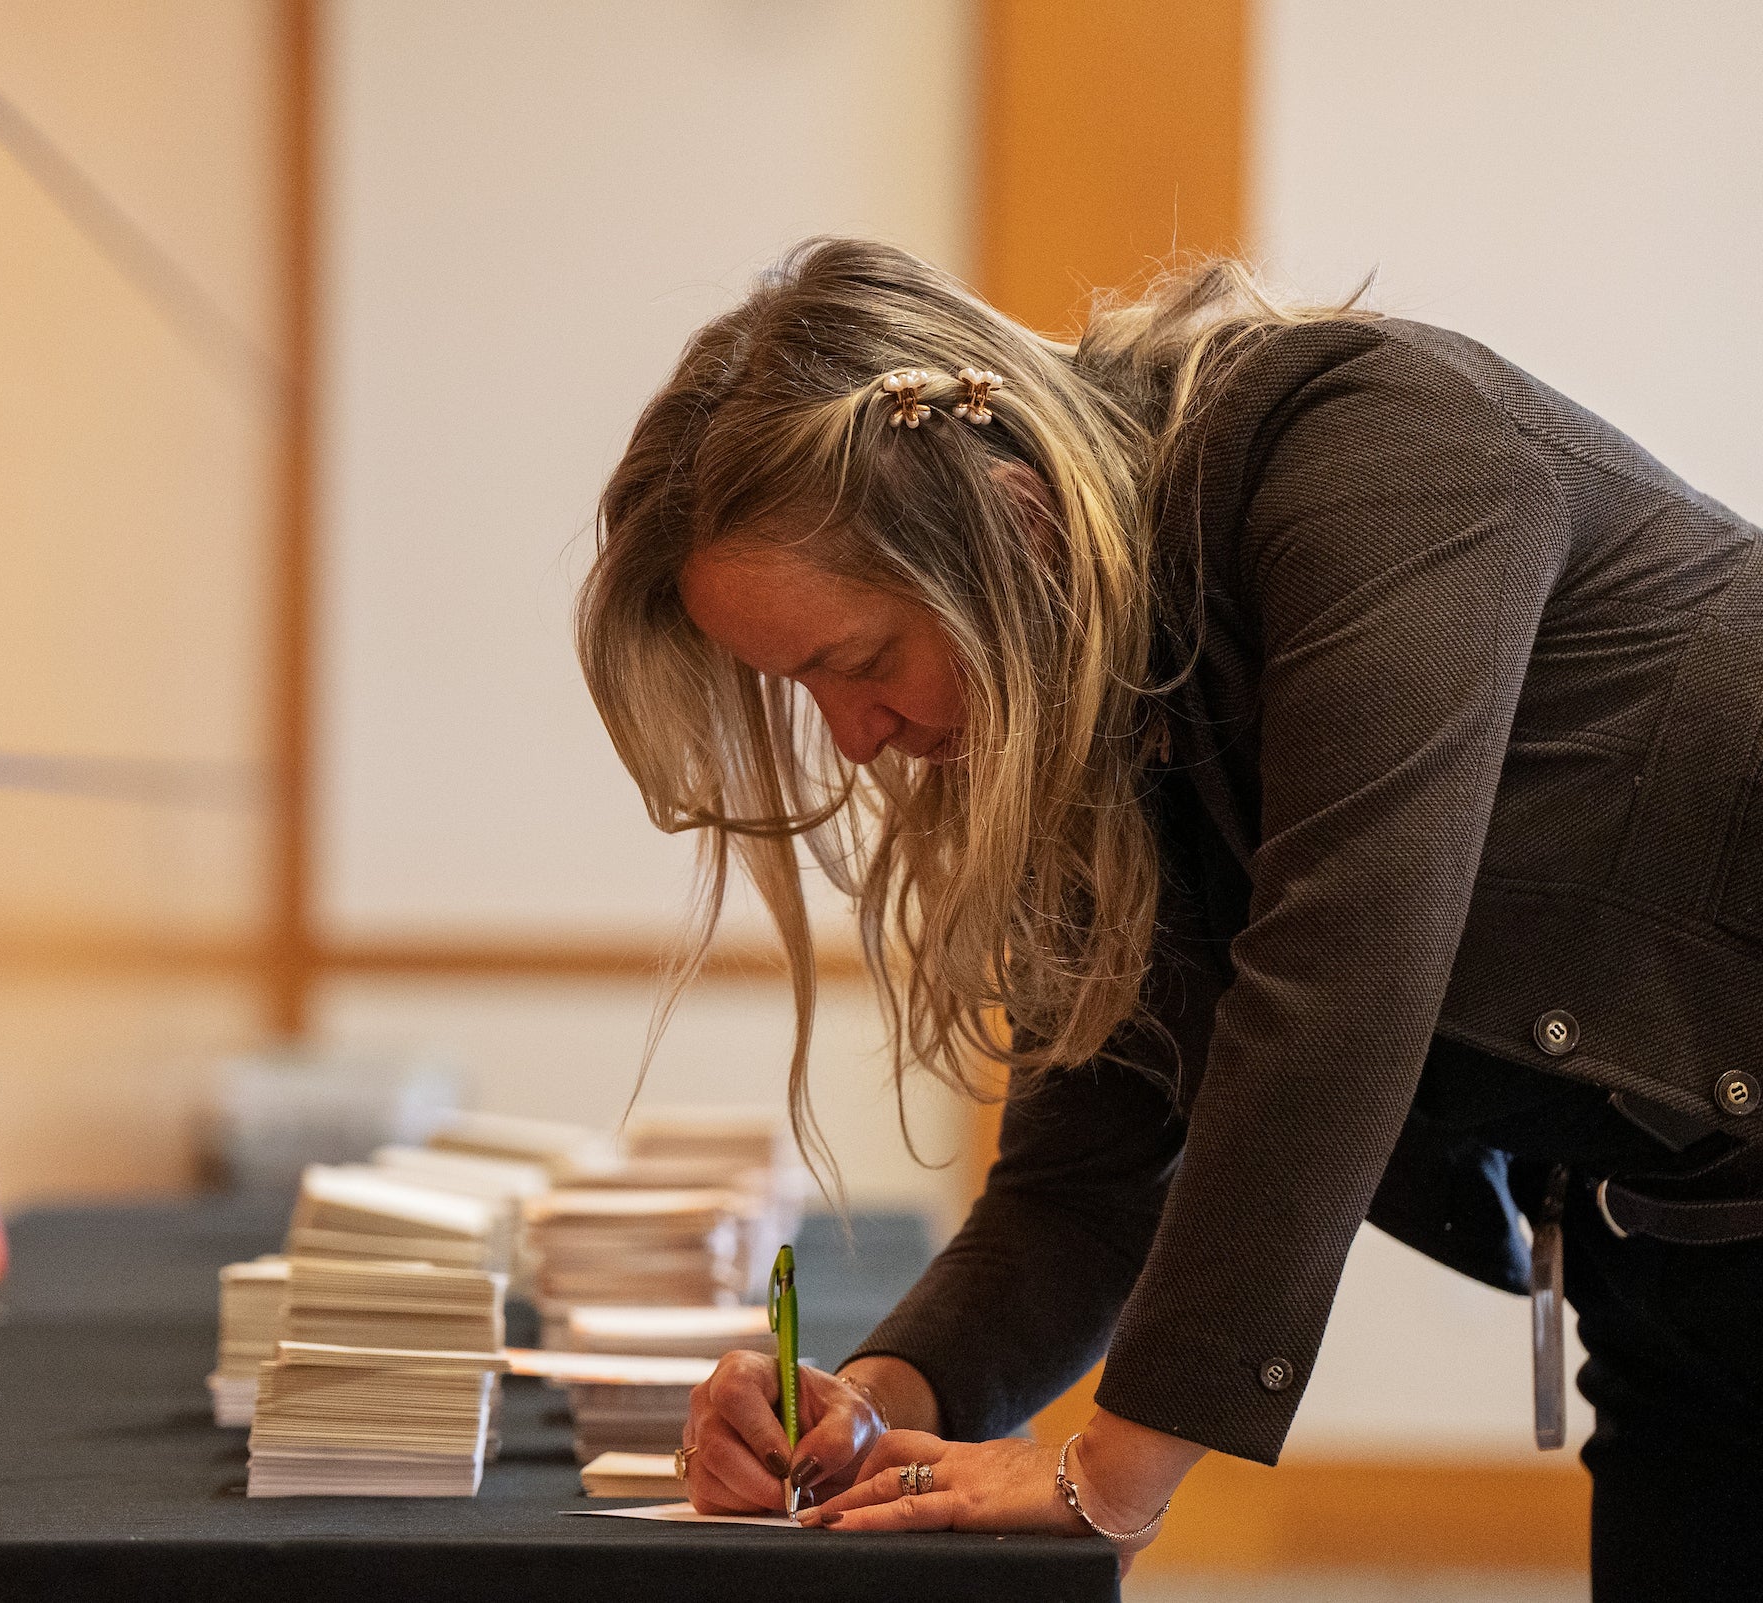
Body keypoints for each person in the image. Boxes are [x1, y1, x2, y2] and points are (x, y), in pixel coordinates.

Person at [574, 237, 1763, 1598]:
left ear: (1016, 527)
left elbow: (1344, 970)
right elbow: (1085, 1178)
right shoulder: (1098, 696)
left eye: (858, 661)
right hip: (1678, 1269)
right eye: (803, 690)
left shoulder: (1372, 455)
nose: (852, 740)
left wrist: (1112, 1473)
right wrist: (866, 1405)